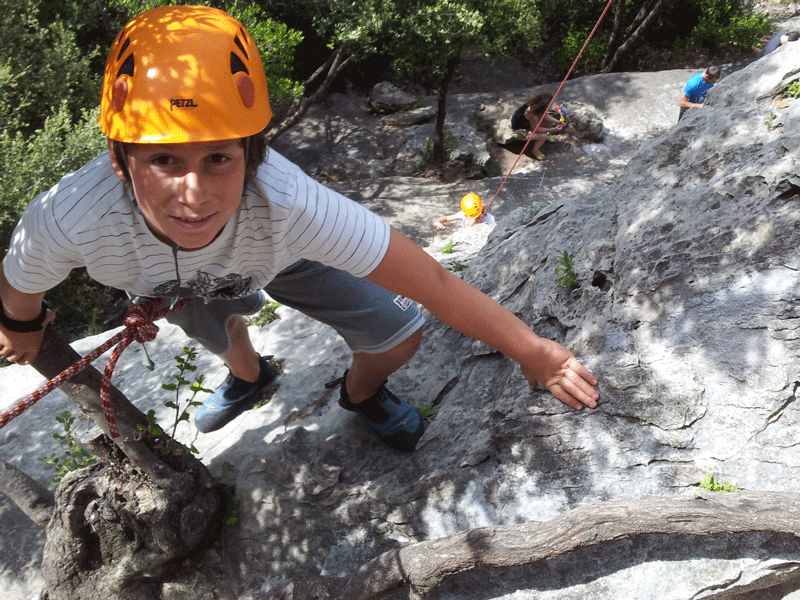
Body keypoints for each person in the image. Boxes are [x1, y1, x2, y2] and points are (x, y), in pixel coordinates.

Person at [0, 6, 598, 453]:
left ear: (253, 153)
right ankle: (251, 377)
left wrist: (533, 351)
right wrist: (20, 326)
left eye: (218, 158)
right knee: (219, 330)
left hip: (280, 253)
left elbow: (433, 284)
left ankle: (359, 394)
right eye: (163, 160)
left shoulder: (290, 205)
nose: (195, 194)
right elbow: (20, 283)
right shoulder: (72, 216)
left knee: (397, 334)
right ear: (119, 159)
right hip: (163, 281)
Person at [510, 92, 565, 161]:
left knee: (549, 122)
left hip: (528, 123)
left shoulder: (536, 106)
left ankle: (547, 136)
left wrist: (557, 121)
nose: (551, 106)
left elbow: (545, 115)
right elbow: (536, 130)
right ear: (543, 106)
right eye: (549, 105)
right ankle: (535, 151)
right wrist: (553, 129)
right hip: (520, 129)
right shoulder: (531, 114)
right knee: (544, 136)